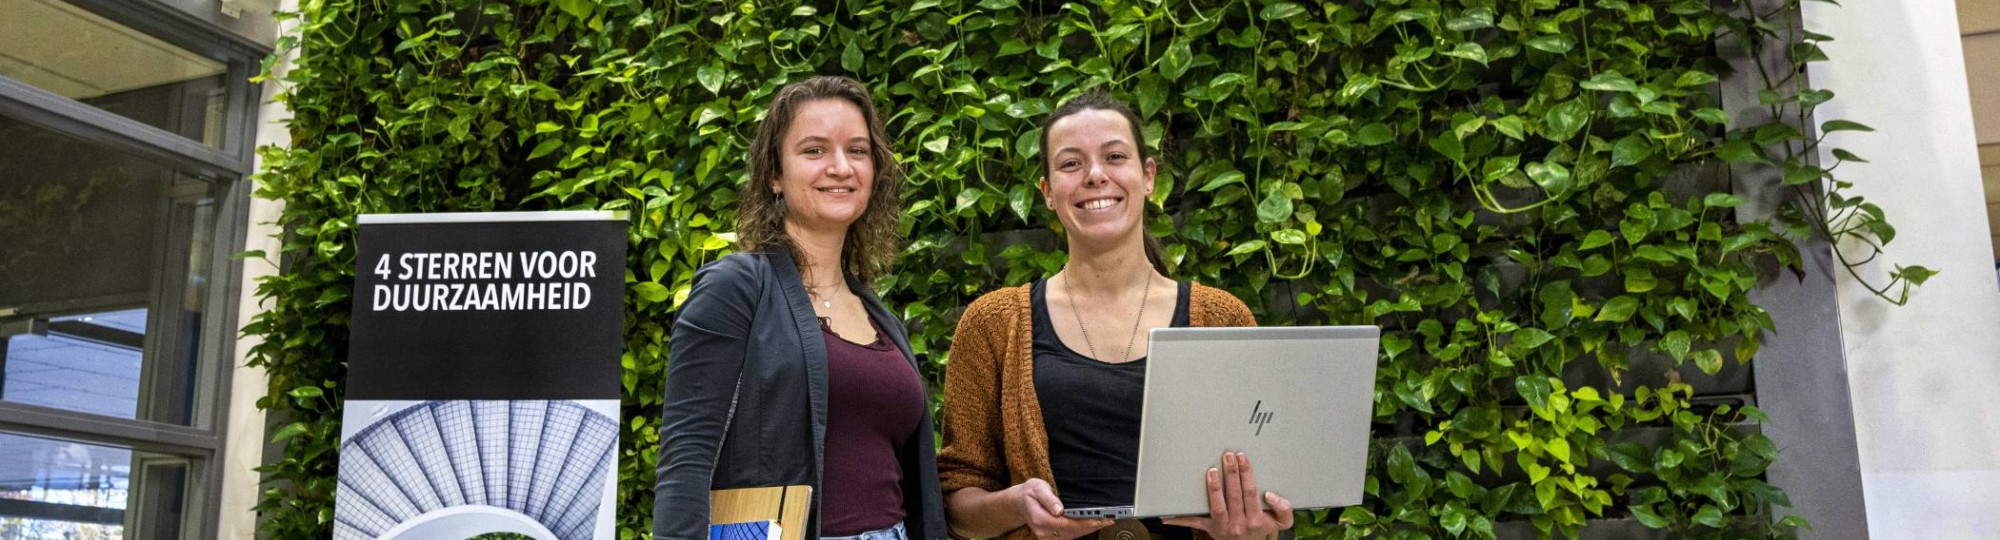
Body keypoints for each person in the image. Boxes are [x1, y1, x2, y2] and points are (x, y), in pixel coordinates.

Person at [937, 91, 1296, 540]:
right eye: (1070, 164)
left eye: (1114, 156)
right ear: (1047, 192)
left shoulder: (1224, 318)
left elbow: (1265, 490)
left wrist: (1252, 529)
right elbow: (957, 504)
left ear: (1148, 177)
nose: (1095, 175)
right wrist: (1016, 506)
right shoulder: (992, 323)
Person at [654, 76, 946, 540]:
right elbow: (686, 456)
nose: (840, 167)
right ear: (775, 175)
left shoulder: (879, 317)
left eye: (857, 150)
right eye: (814, 151)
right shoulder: (735, 288)